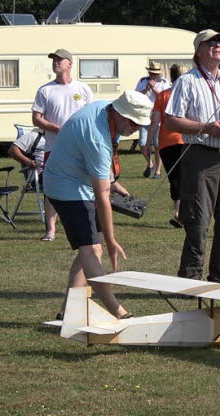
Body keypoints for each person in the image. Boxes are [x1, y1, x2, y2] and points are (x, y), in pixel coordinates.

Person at [43, 90, 153, 320]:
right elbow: (101, 196)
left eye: (140, 124)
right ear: (120, 114)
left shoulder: (108, 111)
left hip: (79, 181)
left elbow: (102, 179)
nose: (136, 128)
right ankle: (118, 312)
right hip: (64, 186)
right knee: (92, 249)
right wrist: (112, 240)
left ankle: (68, 311)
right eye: (134, 122)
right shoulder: (97, 136)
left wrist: (112, 181)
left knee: (92, 248)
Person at [164, 29, 220, 284]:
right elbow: (171, 121)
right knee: (197, 222)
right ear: (199, 50)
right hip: (200, 157)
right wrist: (206, 127)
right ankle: (190, 278)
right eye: (211, 42)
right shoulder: (187, 82)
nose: (218, 45)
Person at [32, 48, 94, 242]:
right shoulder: (45, 90)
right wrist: (54, 128)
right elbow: (36, 119)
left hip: (80, 148)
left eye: (59, 60)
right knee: (51, 189)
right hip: (54, 148)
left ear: (70, 63)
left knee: (86, 183)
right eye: (54, 60)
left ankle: (87, 220)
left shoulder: (82, 89)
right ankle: (50, 230)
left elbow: (92, 116)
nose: (55, 63)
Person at [147, 64, 186, 228]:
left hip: (167, 142)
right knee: (188, 177)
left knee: (174, 178)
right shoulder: (187, 94)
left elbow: (155, 122)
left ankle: (178, 212)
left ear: (171, 76)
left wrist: (148, 142)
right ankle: (183, 213)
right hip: (187, 141)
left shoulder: (163, 96)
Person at [135, 62, 170, 178]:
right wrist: (146, 89)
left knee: (157, 145)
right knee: (143, 144)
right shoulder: (142, 81)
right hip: (144, 116)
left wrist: (154, 88)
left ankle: (158, 171)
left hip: (158, 117)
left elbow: (165, 97)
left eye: (154, 74)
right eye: (151, 73)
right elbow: (136, 96)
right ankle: (150, 163)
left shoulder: (164, 82)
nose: (152, 75)